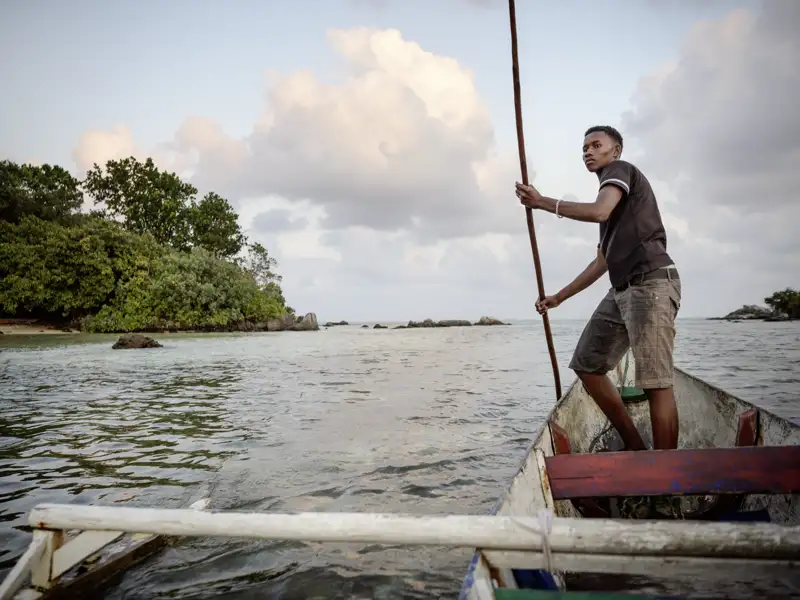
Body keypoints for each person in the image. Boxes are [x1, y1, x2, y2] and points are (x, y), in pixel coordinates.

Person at [514, 125, 681, 451]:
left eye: (596, 145)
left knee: (656, 384)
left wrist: (542, 202)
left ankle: (665, 479)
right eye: (584, 148)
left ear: (615, 151)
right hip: (622, 290)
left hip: (651, 284)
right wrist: (558, 298)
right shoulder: (611, 214)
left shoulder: (620, 171)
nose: (588, 151)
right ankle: (635, 446)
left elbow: (599, 209)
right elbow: (601, 263)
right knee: (587, 364)